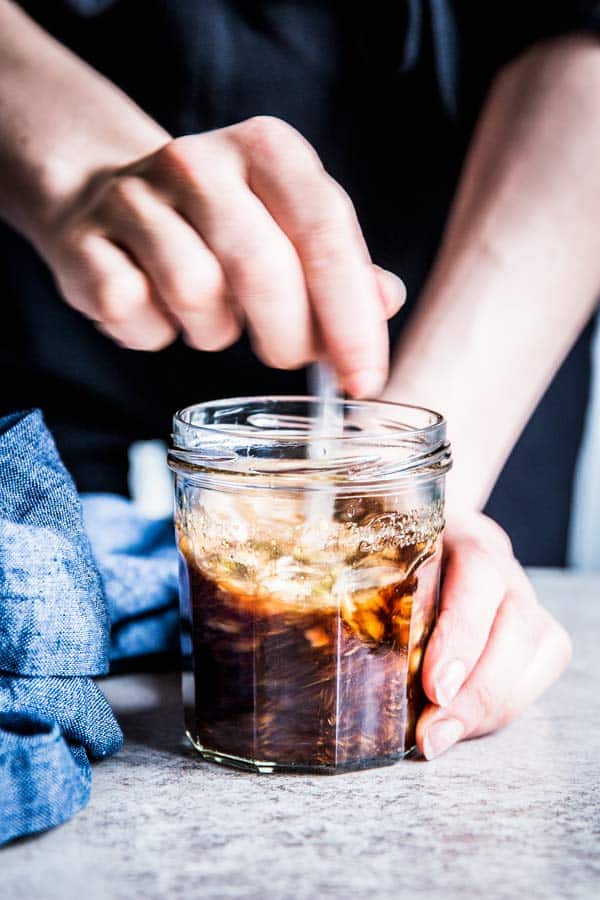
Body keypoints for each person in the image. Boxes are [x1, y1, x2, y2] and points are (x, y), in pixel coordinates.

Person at [1, 0, 597, 761]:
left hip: (471, 258)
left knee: (468, 615)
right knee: (34, 619)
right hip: (31, 267)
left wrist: (395, 487)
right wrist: (60, 145)